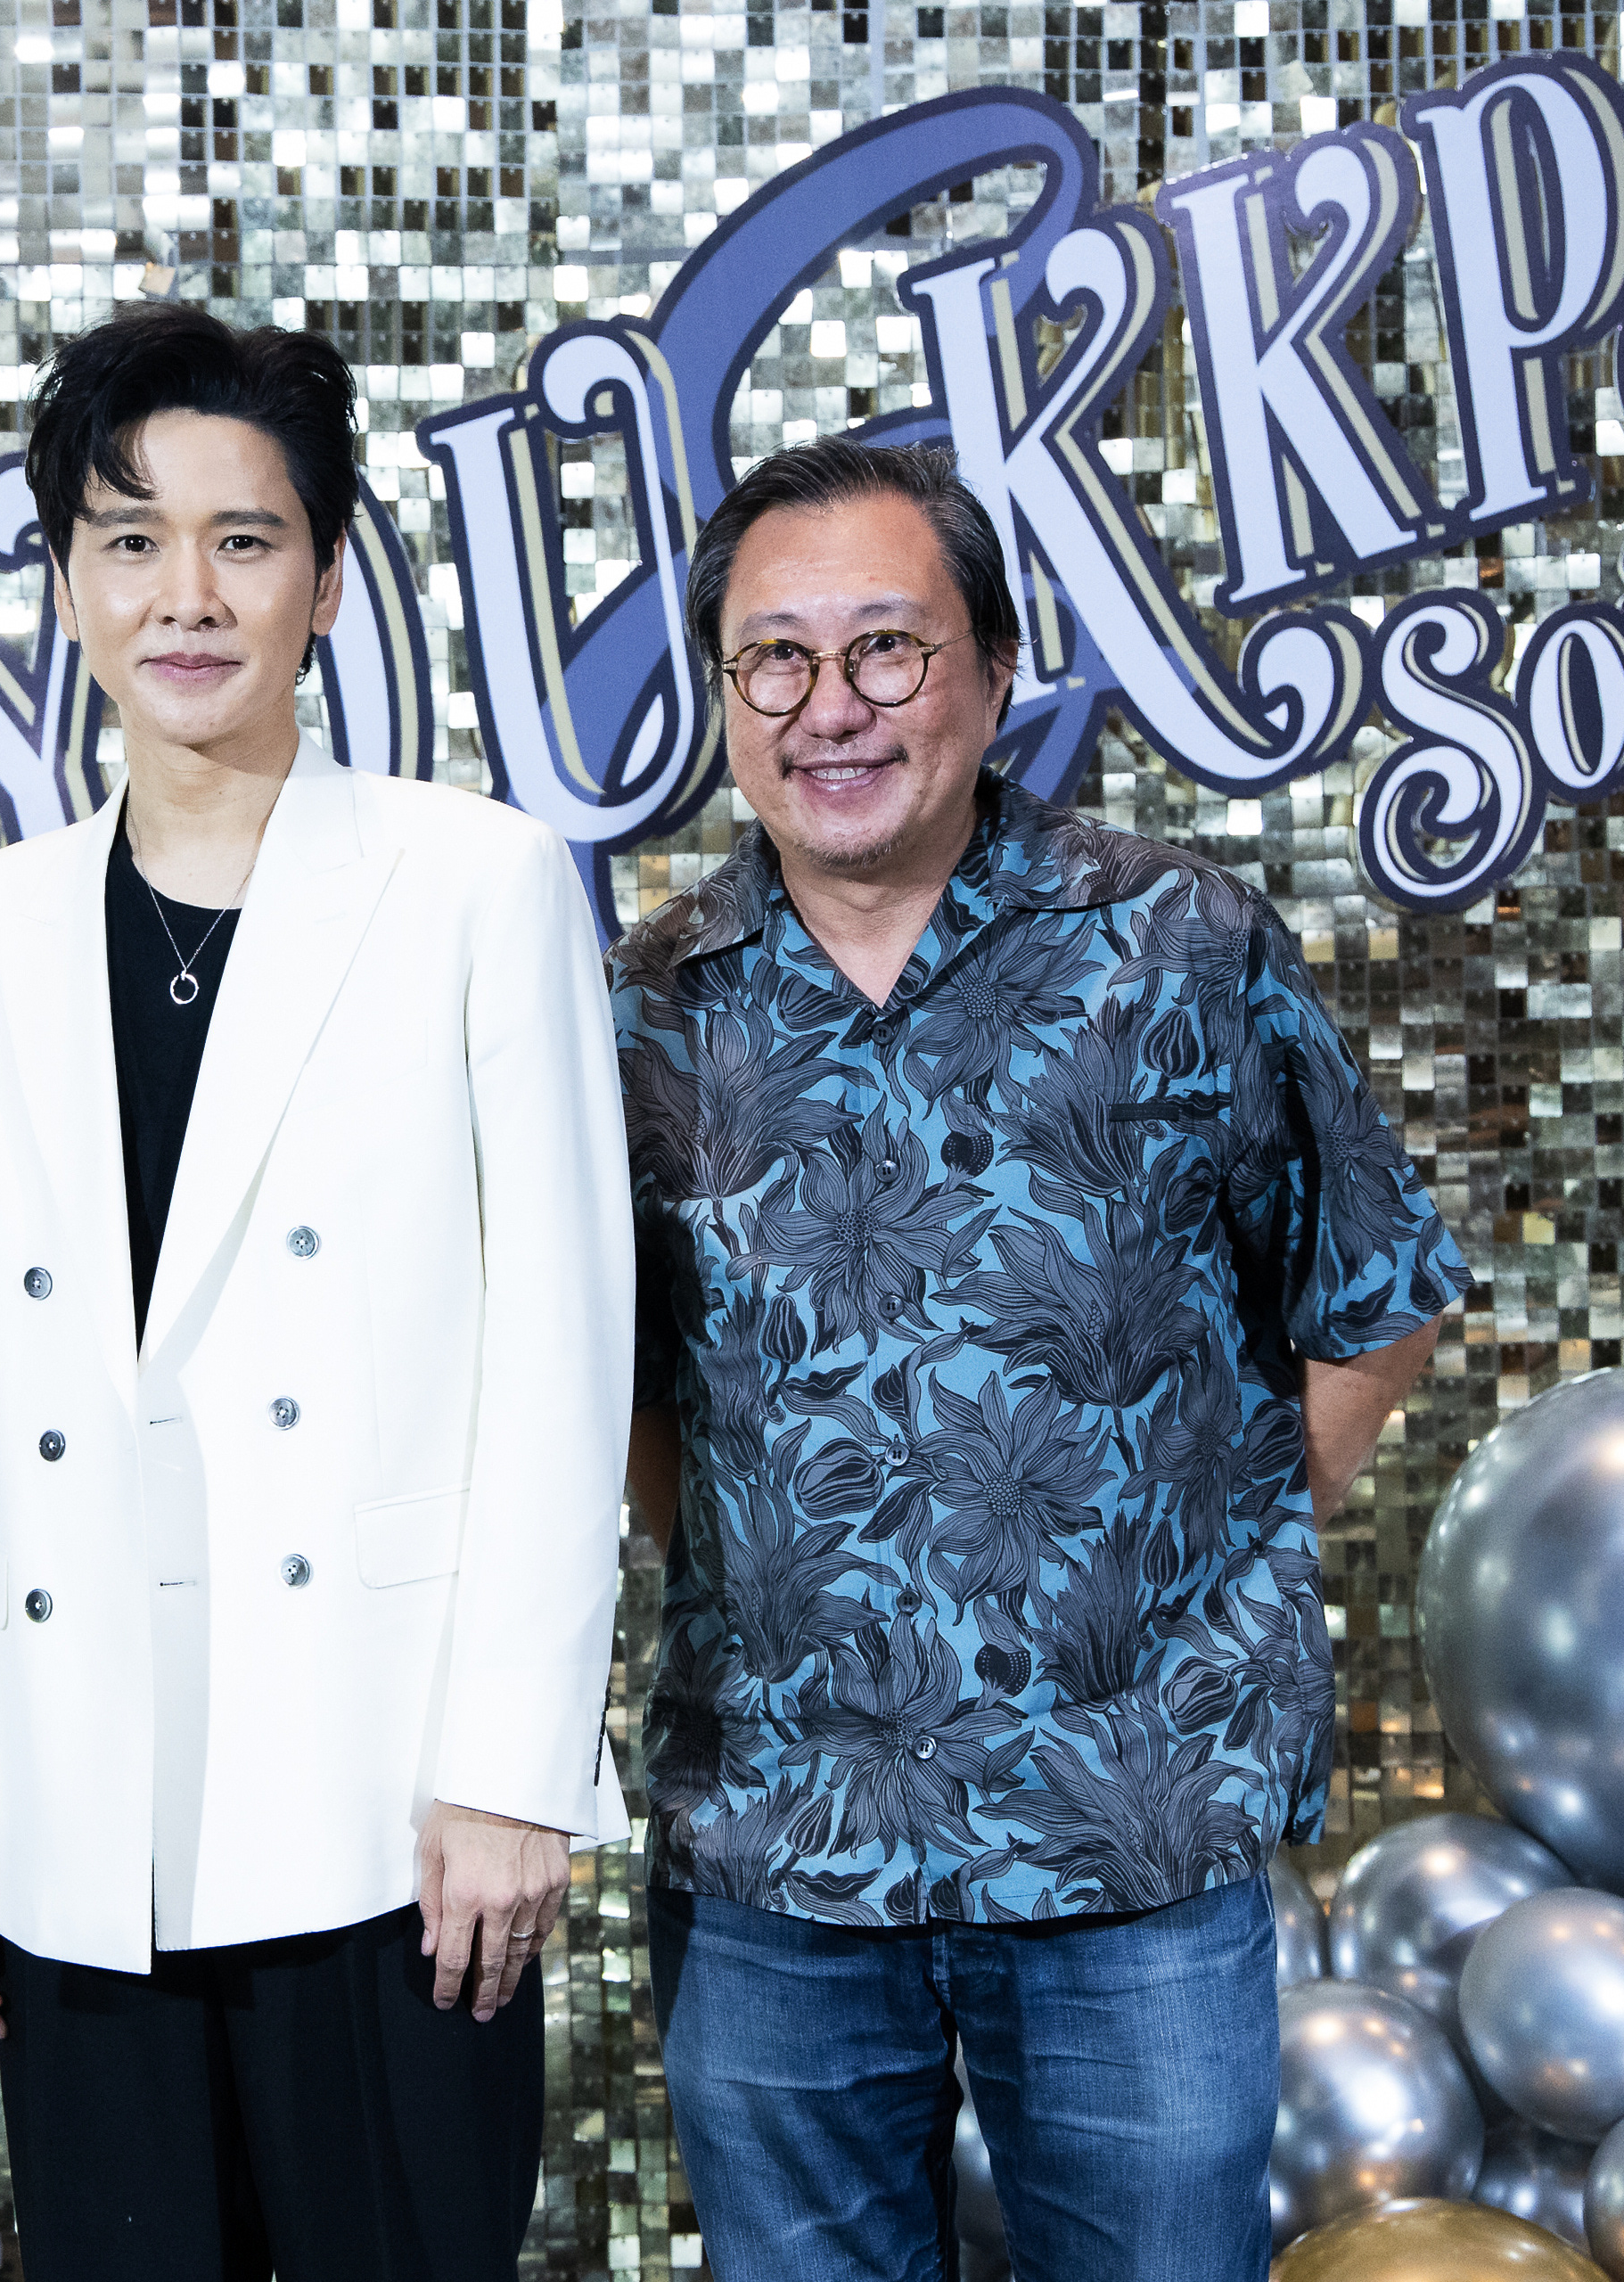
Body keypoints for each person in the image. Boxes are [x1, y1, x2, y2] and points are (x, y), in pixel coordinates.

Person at [612, 436, 1469, 2280]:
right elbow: (631, 1393)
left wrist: (1209, 1541)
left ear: (994, 671)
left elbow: (1379, 1287)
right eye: (775, 659)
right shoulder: (645, 1008)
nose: (830, 706)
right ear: (727, 699)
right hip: (775, 1848)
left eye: (887, 648)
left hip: (1131, 1837)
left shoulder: (1175, 947)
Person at [0, 300, 635, 2279]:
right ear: (67, 584)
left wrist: (515, 1769)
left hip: (390, 1808)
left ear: (327, 576)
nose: (185, 596)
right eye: (131, 540)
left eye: (244, 539)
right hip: (77, 1802)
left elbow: (563, 1359)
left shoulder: (476, 885)